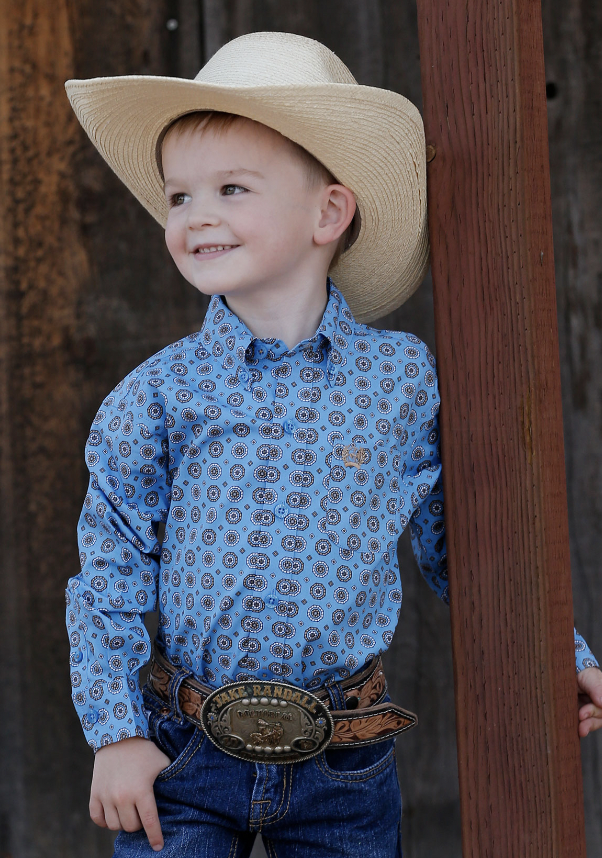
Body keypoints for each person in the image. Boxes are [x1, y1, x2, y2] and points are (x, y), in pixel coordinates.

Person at [64, 32, 602, 858]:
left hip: (344, 757)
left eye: (231, 188)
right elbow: (110, 564)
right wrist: (116, 734)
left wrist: (554, 653)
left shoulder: (401, 382)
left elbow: (467, 544)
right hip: (182, 751)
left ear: (329, 212)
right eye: (179, 197)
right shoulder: (158, 396)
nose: (195, 215)